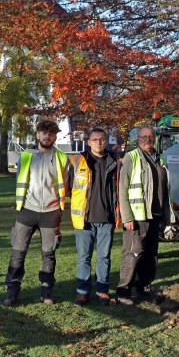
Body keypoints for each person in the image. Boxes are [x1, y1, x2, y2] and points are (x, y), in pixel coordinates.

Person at [3, 119, 70, 306]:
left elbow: (68, 183)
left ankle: (46, 292)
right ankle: (12, 292)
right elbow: (20, 181)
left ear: (55, 136)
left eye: (51, 133)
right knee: (17, 252)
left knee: (48, 254)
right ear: (38, 135)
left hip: (51, 211)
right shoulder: (25, 156)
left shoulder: (62, 158)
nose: (47, 136)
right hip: (27, 210)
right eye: (44, 132)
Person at [115, 126, 171, 306]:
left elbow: (166, 189)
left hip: (155, 216)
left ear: (155, 138)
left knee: (151, 255)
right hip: (137, 217)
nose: (147, 139)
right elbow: (122, 190)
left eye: (150, 136)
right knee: (133, 253)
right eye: (143, 136)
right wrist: (127, 217)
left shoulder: (160, 159)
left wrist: (167, 216)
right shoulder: (132, 158)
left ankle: (144, 289)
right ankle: (123, 292)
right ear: (138, 139)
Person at [69, 128, 120, 306]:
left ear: (106, 141)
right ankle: (82, 292)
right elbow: (69, 187)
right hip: (84, 220)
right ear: (88, 142)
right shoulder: (77, 160)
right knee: (84, 257)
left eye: (102, 139)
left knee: (104, 257)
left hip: (107, 219)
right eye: (95, 139)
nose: (99, 142)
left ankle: (102, 291)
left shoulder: (115, 161)